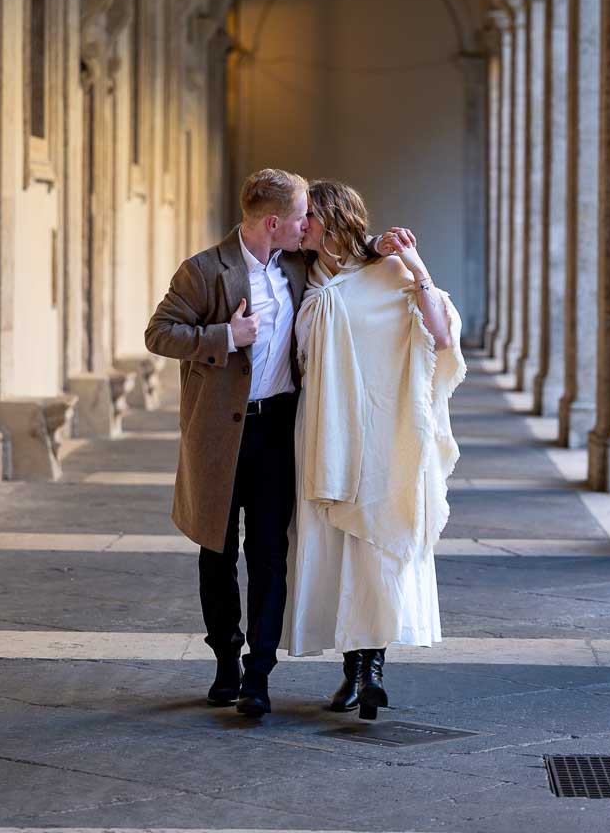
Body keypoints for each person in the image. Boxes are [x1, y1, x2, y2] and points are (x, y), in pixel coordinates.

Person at [145, 167, 394, 719]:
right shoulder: (205, 270)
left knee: (269, 554)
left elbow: (347, 255)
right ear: (276, 222)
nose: (309, 224)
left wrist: (379, 243)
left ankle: (259, 674)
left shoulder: (298, 264)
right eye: (303, 215)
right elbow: (159, 333)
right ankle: (226, 661)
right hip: (217, 436)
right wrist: (223, 337)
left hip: (279, 429)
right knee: (216, 551)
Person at [284, 180, 466, 720]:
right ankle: (353, 671)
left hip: (385, 433)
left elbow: (442, 338)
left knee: (378, 544)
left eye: (308, 217)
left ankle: (372, 670)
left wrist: (416, 265)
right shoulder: (301, 275)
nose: (300, 227)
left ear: (333, 217)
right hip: (324, 432)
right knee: (337, 549)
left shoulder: (391, 272)